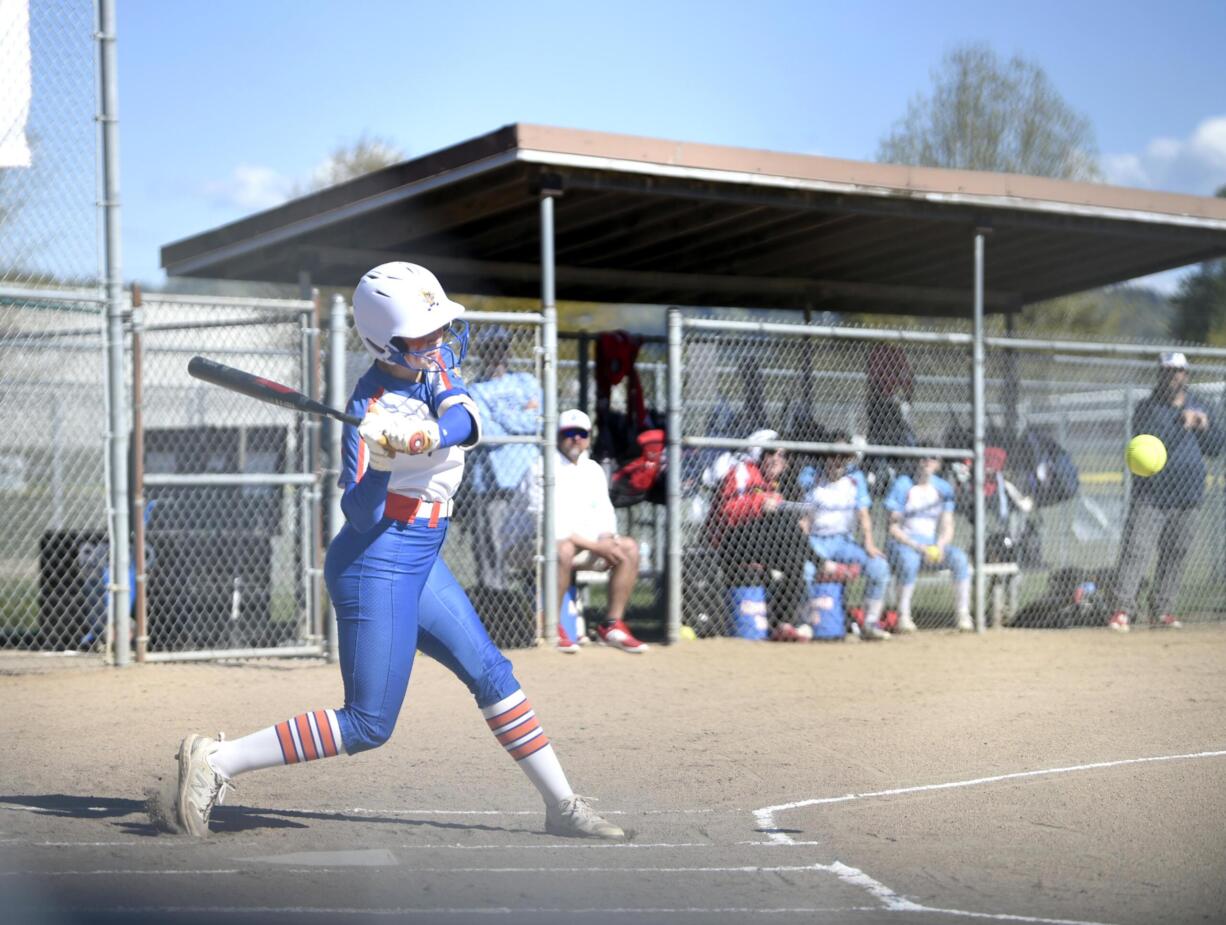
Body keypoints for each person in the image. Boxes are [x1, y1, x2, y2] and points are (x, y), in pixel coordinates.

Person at [170, 262, 624, 841]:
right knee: (368, 723)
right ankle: (215, 761)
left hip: (424, 555)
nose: (439, 341)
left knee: (491, 671)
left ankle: (562, 806)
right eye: (424, 333)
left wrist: (426, 435)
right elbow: (359, 515)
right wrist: (382, 463)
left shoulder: (435, 368)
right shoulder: (365, 409)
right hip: (374, 561)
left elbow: (463, 421)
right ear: (386, 340)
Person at [1107, 351, 1225, 632]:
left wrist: (1204, 425)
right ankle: (1122, 610)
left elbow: (1217, 446)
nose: (1174, 376)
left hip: (1189, 494)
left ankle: (1162, 610)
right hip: (1153, 494)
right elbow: (1148, 441)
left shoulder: (1201, 406)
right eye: (1168, 371)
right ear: (1159, 374)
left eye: (1179, 371)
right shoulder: (1148, 408)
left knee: (1176, 552)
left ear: (1186, 374)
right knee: (1136, 551)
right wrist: (1180, 422)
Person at [517, 409, 648, 654]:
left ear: (588, 437)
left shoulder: (593, 470)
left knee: (628, 548)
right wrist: (599, 547)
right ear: (557, 437)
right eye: (569, 433)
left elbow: (605, 514)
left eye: (581, 433)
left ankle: (612, 626)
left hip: (581, 546)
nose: (575, 439)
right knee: (563, 549)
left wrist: (608, 539)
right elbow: (551, 527)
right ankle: (551, 626)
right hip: (528, 546)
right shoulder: (542, 466)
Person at [704, 429, 812, 638]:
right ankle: (819, 559)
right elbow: (727, 513)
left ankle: (782, 623)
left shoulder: (769, 483)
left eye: (783, 455)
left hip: (755, 543)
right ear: (760, 454)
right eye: (772, 453)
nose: (778, 460)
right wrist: (760, 504)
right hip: (728, 543)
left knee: (796, 562)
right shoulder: (743, 471)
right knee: (787, 526)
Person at [465, 326, 541, 596]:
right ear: (481, 353)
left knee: (533, 540)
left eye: (502, 347)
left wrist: (501, 415)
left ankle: (533, 599)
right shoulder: (474, 389)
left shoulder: (526, 381)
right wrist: (520, 418)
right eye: (490, 348)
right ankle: (494, 600)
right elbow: (489, 434)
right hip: (492, 480)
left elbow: (538, 421)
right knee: (493, 543)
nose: (498, 353)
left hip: (528, 475)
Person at [801, 434, 892, 640]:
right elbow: (805, 520)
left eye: (844, 456)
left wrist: (869, 543)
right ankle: (807, 621)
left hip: (843, 541)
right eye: (833, 455)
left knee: (879, 567)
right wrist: (804, 547)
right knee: (806, 570)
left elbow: (863, 514)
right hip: (817, 541)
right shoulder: (811, 477)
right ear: (825, 457)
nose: (838, 461)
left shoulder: (855, 479)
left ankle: (870, 623)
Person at [884, 453, 973, 633]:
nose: (926, 461)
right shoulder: (903, 484)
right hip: (902, 543)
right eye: (922, 457)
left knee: (960, 559)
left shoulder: (943, 488)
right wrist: (917, 546)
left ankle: (963, 614)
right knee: (910, 562)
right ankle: (904, 616)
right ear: (916, 460)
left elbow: (948, 525)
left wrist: (939, 545)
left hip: (931, 543)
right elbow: (892, 528)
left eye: (932, 458)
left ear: (938, 464)